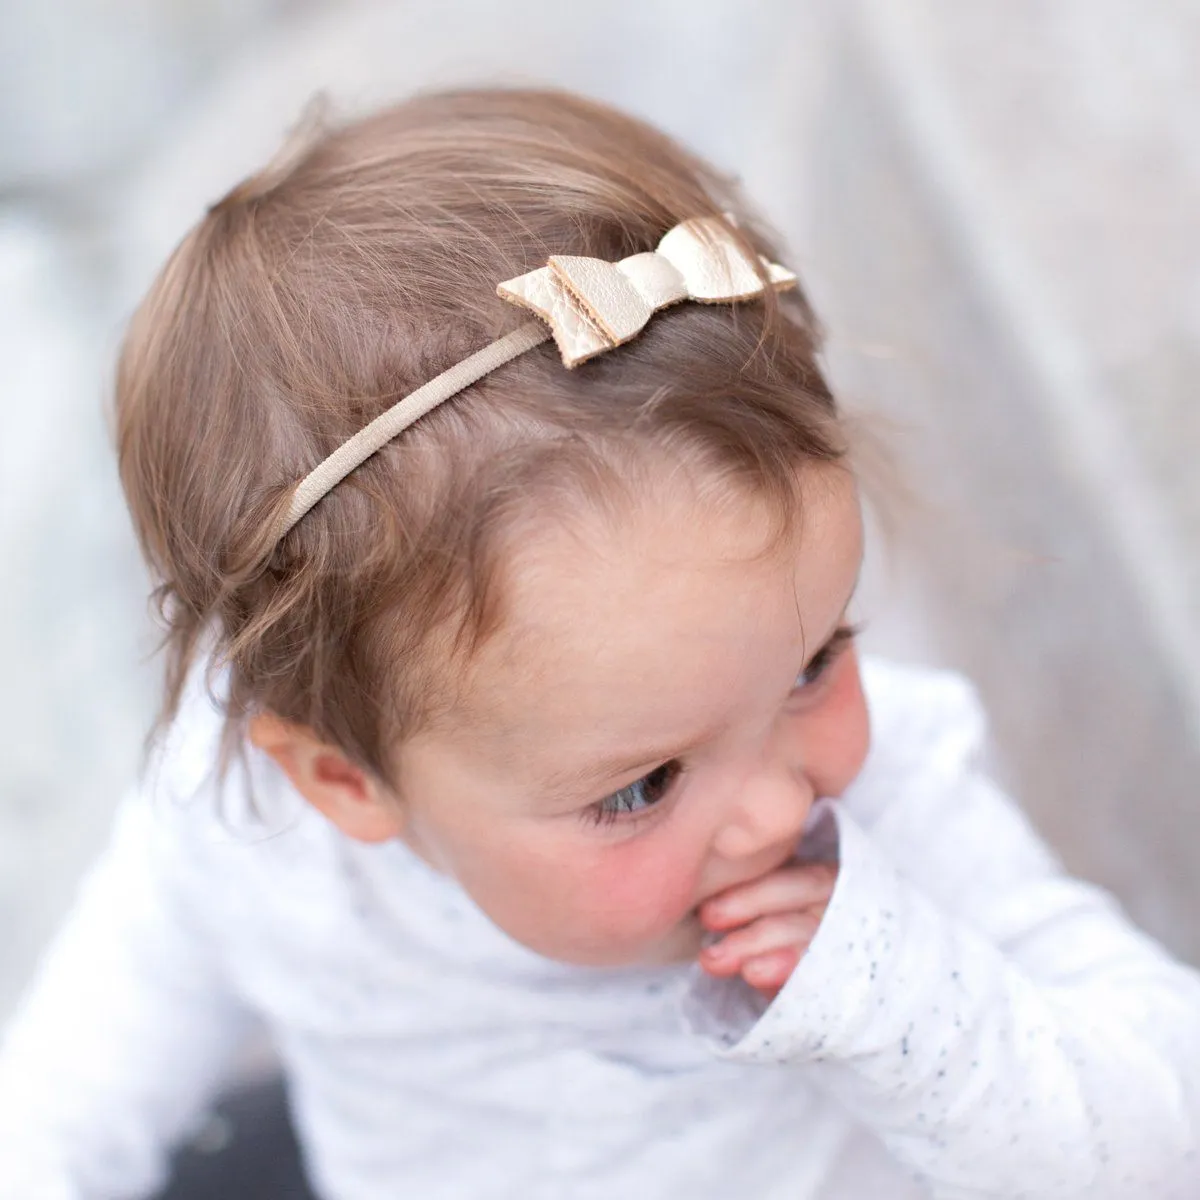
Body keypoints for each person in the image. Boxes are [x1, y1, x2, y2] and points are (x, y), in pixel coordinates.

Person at [0, 88, 1197, 1200]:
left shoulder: (892, 807)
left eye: (812, 665)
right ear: (338, 778)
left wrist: (911, 999)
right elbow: (69, 1098)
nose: (779, 810)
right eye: (644, 785)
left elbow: (1164, 1130)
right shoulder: (244, 839)